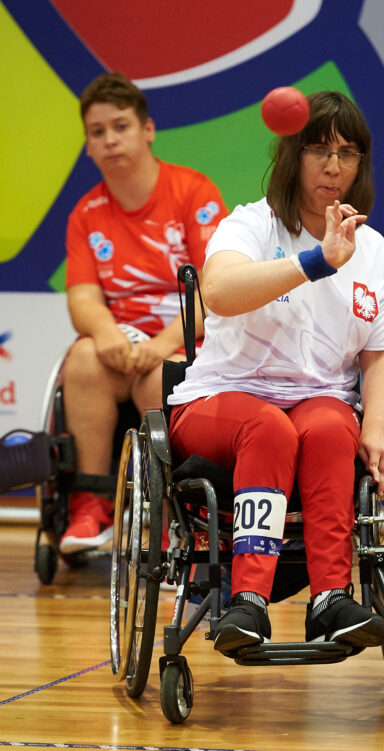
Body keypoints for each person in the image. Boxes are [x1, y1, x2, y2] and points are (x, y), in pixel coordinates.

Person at [167, 91, 384, 652]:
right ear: (292, 157)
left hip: (316, 401)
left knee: (331, 427)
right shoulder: (249, 224)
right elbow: (221, 293)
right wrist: (315, 261)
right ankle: (247, 601)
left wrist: (375, 427)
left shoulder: (375, 252)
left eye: (347, 152)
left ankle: (331, 598)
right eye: (318, 149)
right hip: (221, 401)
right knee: (268, 427)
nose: (333, 165)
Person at [59, 72, 228, 554]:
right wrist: (108, 333)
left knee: (162, 377)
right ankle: (92, 508)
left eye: (120, 126)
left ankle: (180, 520)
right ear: (88, 146)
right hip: (124, 342)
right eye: (97, 132)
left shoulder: (193, 193)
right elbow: (83, 298)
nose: (109, 139)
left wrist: (158, 345)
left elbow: (211, 290)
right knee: (86, 358)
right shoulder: (86, 213)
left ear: (147, 130)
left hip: (185, 339)